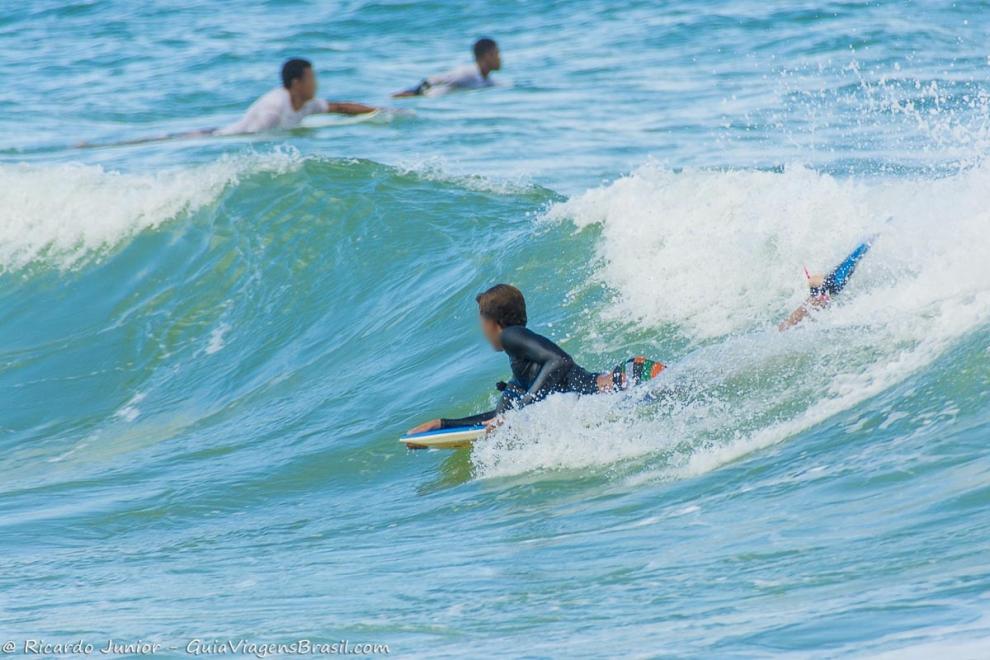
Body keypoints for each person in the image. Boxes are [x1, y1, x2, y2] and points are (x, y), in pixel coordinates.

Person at [406, 284, 665, 434]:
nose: (481, 331)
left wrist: (521, 409)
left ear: (492, 324)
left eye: (481, 323)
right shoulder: (521, 374)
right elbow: (497, 416)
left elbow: (560, 361)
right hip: (629, 383)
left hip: (630, 381)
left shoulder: (511, 336)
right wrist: (442, 425)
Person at [214, 59, 378, 136]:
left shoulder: (307, 103)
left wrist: (378, 111)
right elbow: (252, 137)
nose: (315, 84)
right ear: (296, 83)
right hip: (223, 135)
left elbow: (341, 107)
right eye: (311, 79)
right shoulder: (274, 108)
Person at [778, 237, 875, 330]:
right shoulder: (817, 298)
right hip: (830, 286)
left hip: (830, 284)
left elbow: (814, 282)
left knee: (861, 250)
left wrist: (820, 285)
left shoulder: (820, 292)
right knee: (861, 250)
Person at [392, 38, 501, 98]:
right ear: (488, 56)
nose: (500, 58)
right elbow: (433, 80)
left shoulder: (488, 80)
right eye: (497, 53)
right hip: (429, 100)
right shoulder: (466, 74)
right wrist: (414, 93)